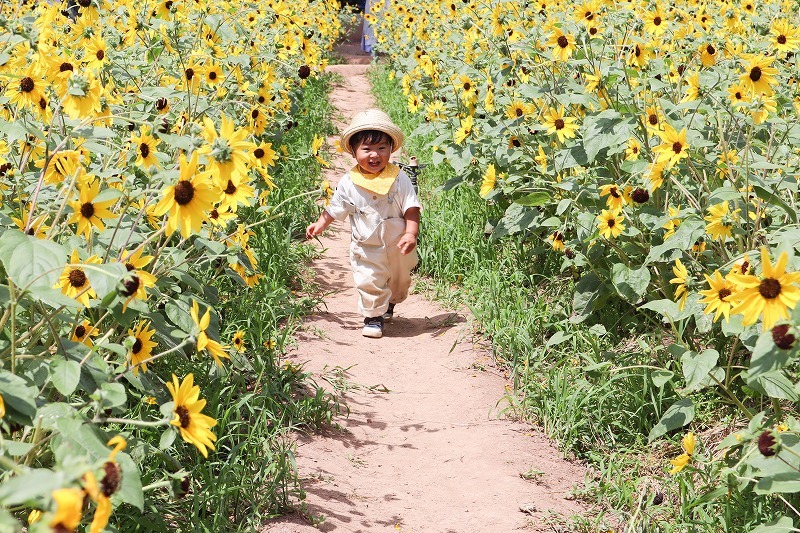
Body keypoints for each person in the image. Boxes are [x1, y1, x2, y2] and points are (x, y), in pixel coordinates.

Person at [306, 109, 421, 338]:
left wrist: (411, 233)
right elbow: (335, 207)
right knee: (369, 278)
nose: (374, 155)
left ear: (391, 149)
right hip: (366, 245)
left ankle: (389, 302)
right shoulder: (349, 182)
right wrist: (320, 223)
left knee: (400, 281)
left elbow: (411, 206)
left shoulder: (398, 178)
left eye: (381, 148)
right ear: (354, 152)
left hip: (398, 244)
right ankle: (373, 316)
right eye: (367, 149)